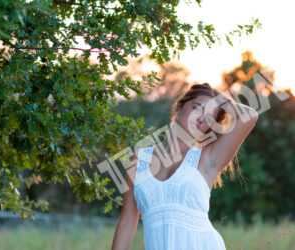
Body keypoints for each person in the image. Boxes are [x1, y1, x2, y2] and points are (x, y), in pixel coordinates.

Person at [111, 83, 258, 250]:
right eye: (197, 108)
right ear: (179, 107)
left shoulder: (207, 159)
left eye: (210, 118)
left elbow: (250, 115)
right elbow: (127, 222)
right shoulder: (138, 160)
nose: (202, 118)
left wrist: (221, 101)